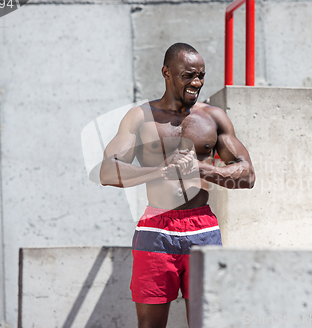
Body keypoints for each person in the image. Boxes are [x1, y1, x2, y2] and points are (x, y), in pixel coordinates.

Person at [100, 42, 255, 328]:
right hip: (156, 227)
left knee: (208, 321)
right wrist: (159, 171)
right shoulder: (141, 117)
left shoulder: (213, 117)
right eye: (188, 75)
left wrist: (202, 168)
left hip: (202, 228)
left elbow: (247, 175)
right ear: (166, 73)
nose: (196, 82)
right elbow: (108, 171)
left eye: (201, 75)